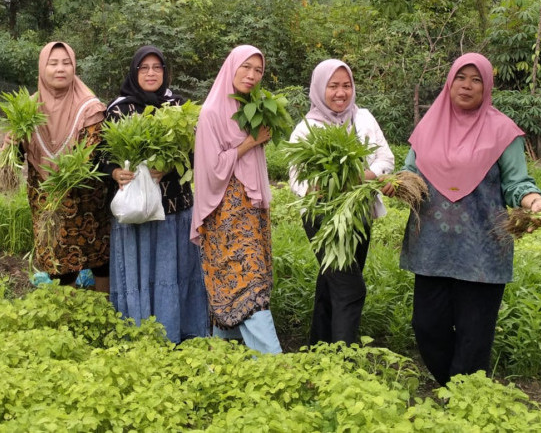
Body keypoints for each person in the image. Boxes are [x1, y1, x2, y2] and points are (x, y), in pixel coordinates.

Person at [386, 52, 541, 386]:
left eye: (476, 79)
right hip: (431, 246)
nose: (467, 85)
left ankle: (464, 400)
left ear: (486, 86)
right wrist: (397, 184)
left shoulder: (503, 133)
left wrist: (533, 200)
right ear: (449, 82)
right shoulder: (429, 126)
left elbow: (518, 183)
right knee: (426, 325)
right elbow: (411, 173)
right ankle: (452, 386)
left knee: (475, 334)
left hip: (483, 250)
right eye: (461, 77)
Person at [105, 45, 209, 343]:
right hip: (136, 210)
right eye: (144, 68)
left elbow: (195, 151)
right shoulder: (119, 109)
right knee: (141, 271)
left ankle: (180, 333)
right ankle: (138, 335)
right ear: (134, 72)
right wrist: (116, 173)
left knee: (175, 271)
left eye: (157, 68)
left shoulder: (178, 106)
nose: (151, 73)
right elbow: (102, 155)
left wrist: (168, 168)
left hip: (174, 207)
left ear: (165, 72)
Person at [289, 59, 394, 345]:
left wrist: (365, 175)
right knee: (350, 288)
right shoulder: (307, 128)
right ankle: (342, 360)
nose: (340, 93)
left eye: (346, 85)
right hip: (324, 219)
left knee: (331, 285)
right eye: (333, 86)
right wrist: (319, 185)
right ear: (319, 88)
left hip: (359, 214)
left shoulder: (364, 118)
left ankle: (318, 349)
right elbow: (296, 177)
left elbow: (386, 158)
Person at [190, 45, 282, 354]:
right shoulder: (212, 113)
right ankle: (276, 365)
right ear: (231, 68)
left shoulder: (251, 110)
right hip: (225, 212)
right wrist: (248, 144)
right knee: (247, 282)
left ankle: (223, 361)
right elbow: (211, 168)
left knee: (236, 284)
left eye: (258, 70)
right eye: (246, 67)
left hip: (249, 210)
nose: (252, 75)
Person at [8, 42, 111, 291]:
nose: (60, 69)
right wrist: (12, 144)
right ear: (42, 68)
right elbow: (20, 158)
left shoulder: (90, 107)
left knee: (98, 256)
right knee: (57, 259)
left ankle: (103, 312)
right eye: (53, 63)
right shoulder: (28, 108)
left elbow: (94, 154)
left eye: (66, 63)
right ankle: (64, 316)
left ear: (74, 67)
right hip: (46, 199)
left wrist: (70, 174)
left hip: (85, 199)